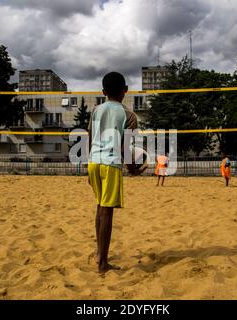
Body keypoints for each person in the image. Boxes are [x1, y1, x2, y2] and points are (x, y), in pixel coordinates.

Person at [88, 71, 138, 274]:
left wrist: (88, 166)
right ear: (125, 90)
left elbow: (90, 137)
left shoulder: (95, 111)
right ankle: (102, 264)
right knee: (107, 212)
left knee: (100, 208)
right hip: (110, 164)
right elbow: (126, 147)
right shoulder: (129, 115)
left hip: (94, 162)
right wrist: (133, 168)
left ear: (103, 92)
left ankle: (100, 254)